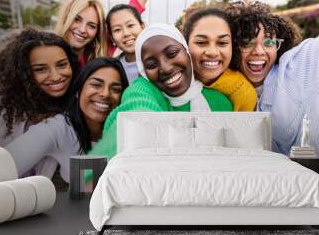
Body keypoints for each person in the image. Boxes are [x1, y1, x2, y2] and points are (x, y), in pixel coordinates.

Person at [230, 0, 319, 192]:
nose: (259, 51)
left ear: (278, 46)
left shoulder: (298, 69)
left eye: (269, 41)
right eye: (247, 42)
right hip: (275, 203)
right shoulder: (230, 87)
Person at [87, 24, 233, 164]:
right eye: (151, 65)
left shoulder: (220, 102)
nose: (166, 68)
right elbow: (136, 112)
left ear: (187, 52)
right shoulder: (145, 90)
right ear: (144, 72)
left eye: (172, 53)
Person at [106, 0, 262, 86]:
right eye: (117, 30)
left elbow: (219, 29)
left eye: (130, 25)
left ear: (143, 26)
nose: (126, 33)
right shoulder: (112, 66)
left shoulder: (180, 57)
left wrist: (243, 3)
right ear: (111, 38)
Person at [5, 58, 129, 184]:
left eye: (115, 89)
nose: (105, 94)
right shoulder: (57, 128)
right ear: (78, 91)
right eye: (96, 85)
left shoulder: (124, 133)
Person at [54, 0, 165, 67]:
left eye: (91, 26)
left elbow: (135, 5)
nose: (82, 30)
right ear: (66, 18)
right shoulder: (45, 49)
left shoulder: (101, 51)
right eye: (76, 19)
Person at [0, 29, 79, 137]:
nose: (56, 77)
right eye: (40, 69)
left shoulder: (82, 99)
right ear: (22, 73)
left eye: (62, 65)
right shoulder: (6, 112)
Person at [183, 7, 257, 111]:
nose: (212, 52)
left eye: (222, 43)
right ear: (185, 44)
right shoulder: (170, 77)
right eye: (201, 42)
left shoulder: (244, 93)